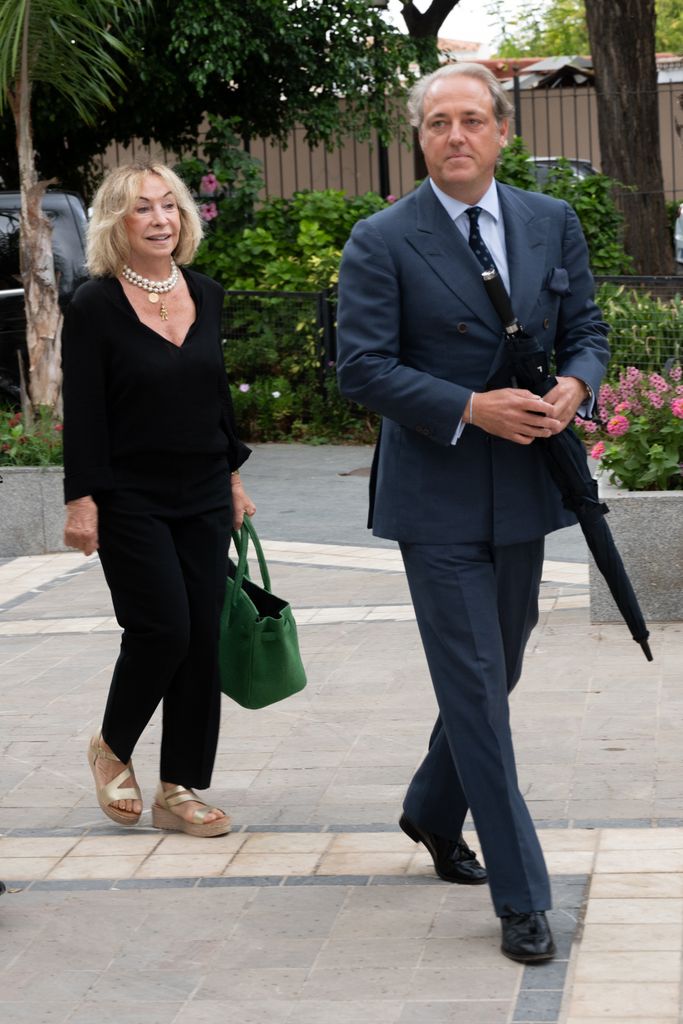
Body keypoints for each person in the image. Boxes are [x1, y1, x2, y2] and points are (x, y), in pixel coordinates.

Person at [336, 64, 609, 962]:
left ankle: (427, 807)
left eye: (471, 121)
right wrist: (467, 407)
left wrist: (576, 385)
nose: (454, 135)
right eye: (436, 123)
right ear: (421, 139)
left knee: (498, 673)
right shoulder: (381, 239)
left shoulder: (549, 221)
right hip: (436, 497)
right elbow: (362, 367)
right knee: (479, 700)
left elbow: (588, 332)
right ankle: (522, 896)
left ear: (501, 132)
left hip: (526, 490)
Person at [62, 162, 256, 838]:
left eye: (168, 206)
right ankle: (113, 746)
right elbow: (84, 411)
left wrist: (232, 478)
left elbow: (216, 396)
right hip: (129, 494)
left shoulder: (205, 291)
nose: (160, 219)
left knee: (201, 638)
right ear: (118, 222)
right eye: (142, 208)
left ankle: (179, 787)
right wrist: (80, 499)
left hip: (203, 488)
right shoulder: (94, 305)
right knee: (163, 628)